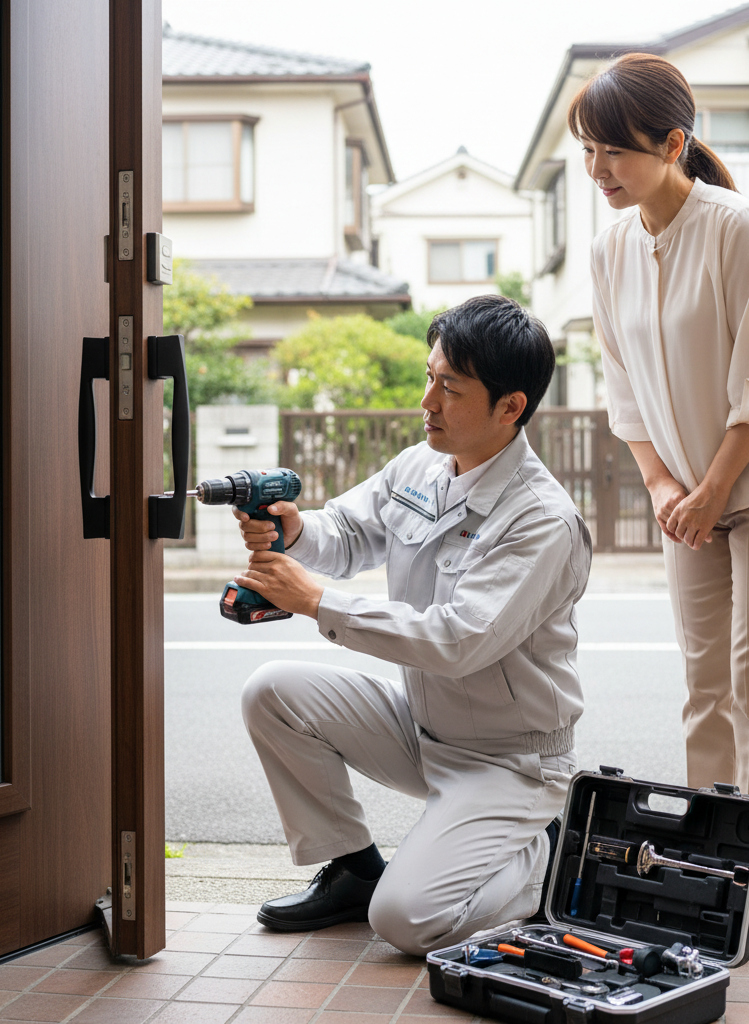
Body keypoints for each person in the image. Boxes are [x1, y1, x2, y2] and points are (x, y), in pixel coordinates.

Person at [233, 295, 591, 956]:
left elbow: (457, 639)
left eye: (449, 387)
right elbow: (345, 534)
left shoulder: (541, 519)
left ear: (510, 407)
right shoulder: (420, 466)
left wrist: (318, 602)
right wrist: (298, 530)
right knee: (272, 692)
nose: (427, 401)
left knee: (404, 921)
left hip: (511, 762)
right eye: (430, 377)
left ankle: (540, 858)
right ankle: (352, 868)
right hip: (425, 729)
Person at [572, 53, 749, 945]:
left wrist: (711, 488)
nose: (600, 170)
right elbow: (624, 383)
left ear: (673, 143)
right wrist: (661, 484)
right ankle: (704, 879)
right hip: (688, 491)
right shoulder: (610, 247)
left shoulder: (735, 227)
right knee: (701, 691)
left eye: (615, 151)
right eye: (590, 152)